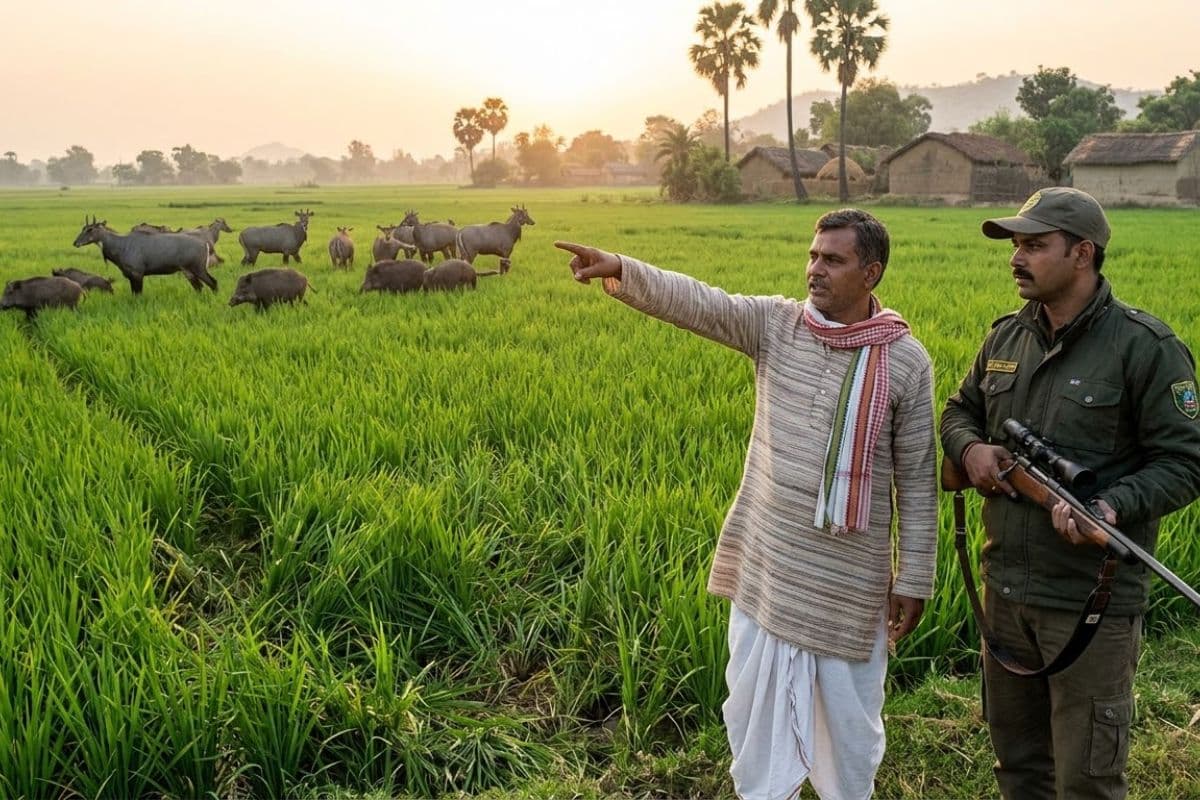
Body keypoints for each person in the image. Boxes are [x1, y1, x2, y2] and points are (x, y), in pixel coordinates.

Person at [556, 208, 938, 800]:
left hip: (847, 585)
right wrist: (624, 271)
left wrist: (913, 578)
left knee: (850, 730)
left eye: (833, 259)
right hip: (770, 566)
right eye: (813, 255)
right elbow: (704, 303)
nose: (815, 269)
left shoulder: (906, 362)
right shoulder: (776, 325)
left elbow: (916, 480)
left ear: (871, 272)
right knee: (755, 714)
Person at [940, 186, 1200, 799]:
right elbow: (959, 412)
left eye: (1034, 245)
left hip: (1092, 603)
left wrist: (1112, 506)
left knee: (1087, 779)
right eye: (1015, 245)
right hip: (1004, 590)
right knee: (1019, 767)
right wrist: (973, 451)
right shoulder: (1005, 338)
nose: (1016, 258)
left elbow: (1185, 462)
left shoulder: (1147, 348)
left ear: (1082, 253)